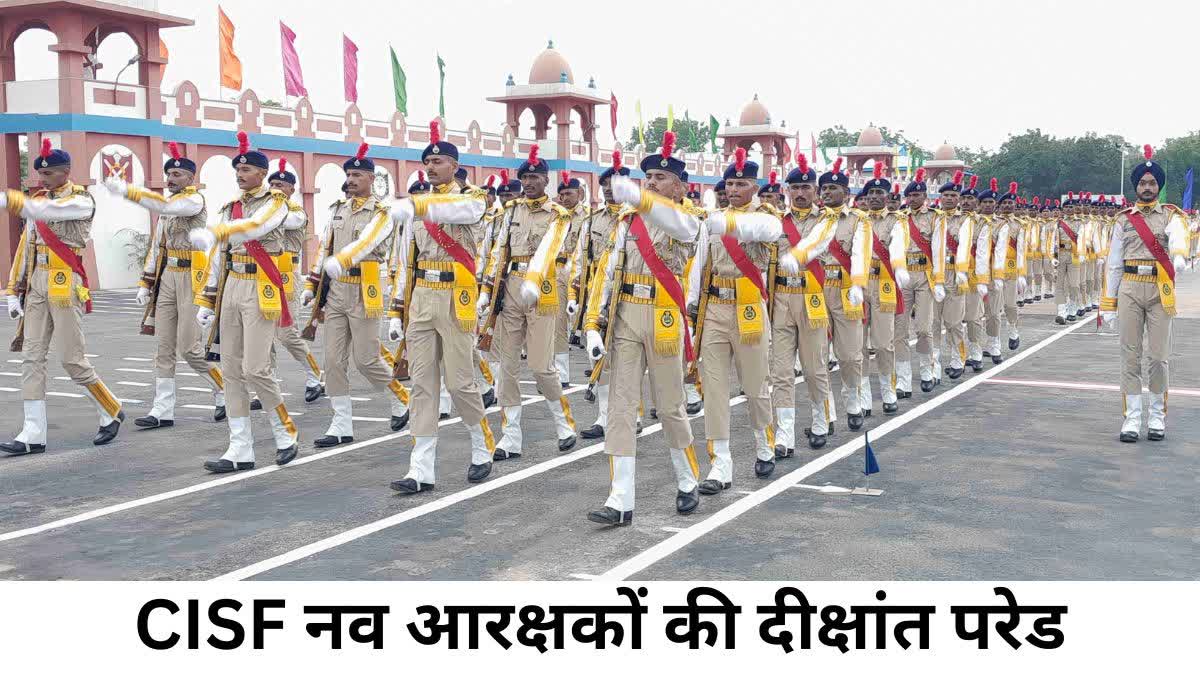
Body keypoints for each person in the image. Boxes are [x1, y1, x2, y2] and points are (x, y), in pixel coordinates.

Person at [584, 132, 702, 524]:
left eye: (661, 177)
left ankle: (687, 480)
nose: (650, 181)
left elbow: (675, 225)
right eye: (648, 176)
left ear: (680, 186)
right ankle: (620, 499)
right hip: (626, 315)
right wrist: (593, 323)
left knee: (670, 405)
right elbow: (607, 271)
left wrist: (639, 197)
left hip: (665, 315)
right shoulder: (626, 221)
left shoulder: (688, 219)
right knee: (620, 406)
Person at [387, 121, 494, 492]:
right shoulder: (416, 206)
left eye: (439, 161)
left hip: (456, 297)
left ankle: (482, 447)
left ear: (454, 165)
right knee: (422, 383)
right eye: (427, 162)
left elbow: (459, 213)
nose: (431, 167)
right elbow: (406, 259)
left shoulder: (474, 199)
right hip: (421, 298)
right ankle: (421, 468)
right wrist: (398, 306)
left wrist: (415, 205)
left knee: (462, 382)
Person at [1, 139, 124, 454]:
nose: (42, 179)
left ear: (66, 172)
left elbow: (52, 210)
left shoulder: (82, 200)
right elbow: (25, 249)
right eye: (40, 174)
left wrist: (10, 199)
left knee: (71, 358)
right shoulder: (39, 200)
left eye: (50, 173)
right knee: (32, 356)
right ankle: (33, 433)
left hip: (64, 280)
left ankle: (110, 408)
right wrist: (13, 290)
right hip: (38, 282)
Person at [190, 132, 301, 472]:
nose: (241, 174)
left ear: (262, 174)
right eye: (238, 169)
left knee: (256, 368)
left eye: (248, 169)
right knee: (231, 369)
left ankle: (285, 432)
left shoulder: (277, 203)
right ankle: (240, 448)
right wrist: (208, 300)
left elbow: (255, 228)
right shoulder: (228, 207)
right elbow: (219, 257)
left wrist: (218, 231)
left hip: (261, 285)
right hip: (232, 284)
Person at [104, 142, 226, 429]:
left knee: (190, 348)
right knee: (163, 348)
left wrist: (128, 191)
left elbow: (168, 205)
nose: (171, 179)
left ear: (191, 179)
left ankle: (224, 390)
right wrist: (146, 282)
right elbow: (157, 248)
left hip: (192, 278)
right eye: (169, 174)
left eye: (178, 175)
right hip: (168, 276)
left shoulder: (193, 201)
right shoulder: (168, 210)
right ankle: (162, 410)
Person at [301, 143, 410, 449]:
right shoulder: (337, 209)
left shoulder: (383, 213)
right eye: (348, 174)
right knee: (333, 361)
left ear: (370, 179)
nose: (350, 180)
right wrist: (312, 284)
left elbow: (368, 241)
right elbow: (325, 247)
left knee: (366, 359)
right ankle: (341, 424)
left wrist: (341, 261)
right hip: (335, 291)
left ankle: (400, 398)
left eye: (357, 175)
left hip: (366, 289)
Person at [689, 147, 783, 491]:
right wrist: (692, 301)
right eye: (729, 183)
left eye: (740, 183)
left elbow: (766, 231)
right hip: (715, 306)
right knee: (714, 389)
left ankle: (764, 445)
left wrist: (721, 220)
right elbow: (700, 261)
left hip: (748, 306)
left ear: (754, 186)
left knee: (756, 386)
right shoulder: (714, 219)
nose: (733, 189)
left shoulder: (766, 215)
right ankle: (720, 464)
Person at [480, 145, 578, 461]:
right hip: (510, 289)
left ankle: (564, 424)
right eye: (525, 177)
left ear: (545, 180)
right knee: (506, 367)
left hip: (544, 289)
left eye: (535, 177)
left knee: (540, 366)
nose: (530, 182)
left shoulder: (558, 215)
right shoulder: (509, 213)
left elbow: (551, 250)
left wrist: (534, 282)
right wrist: (486, 291)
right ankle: (510, 437)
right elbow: (499, 252)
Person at [1101, 145, 1189, 443]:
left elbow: (1179, 238)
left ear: (1159, 187)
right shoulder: (1123, 219)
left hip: (1160, 289)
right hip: (1128, 287)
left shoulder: (1171, 216)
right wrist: (1108, 306)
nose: (1147, 187)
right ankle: (1132, 419)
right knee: (1129, 356)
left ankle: (1156, 417)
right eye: (1142, 183)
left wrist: (1178, 255)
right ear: (1136, 187)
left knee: (1158, 358)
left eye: (1152, 183)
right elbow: (1113, 264)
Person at [771, 153, 836, 453]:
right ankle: (784, 436)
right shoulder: (775, 221)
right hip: (782, 299)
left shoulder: (826, 221)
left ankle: (821, 421)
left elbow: (816, 246)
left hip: (811, 299)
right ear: (787, 190)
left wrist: (795, 257)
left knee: (813, 368)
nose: (799, 193)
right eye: (794, 187)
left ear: (815, 191)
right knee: (782, 372)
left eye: (806, 187)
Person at [572, 152, 630, 440]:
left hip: (627, 296)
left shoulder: (635, 219)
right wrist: (574, 294)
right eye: (605, 183)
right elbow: (581, 260)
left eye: (616, 182)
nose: (609, 188)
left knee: (628, 360)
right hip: (596, 295)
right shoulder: (591, 221)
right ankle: (604, 417)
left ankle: (634, 415)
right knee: (598, 357)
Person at [266, 159, 324, 403]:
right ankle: (265, 383)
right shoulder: (263, 209)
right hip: (261, 277)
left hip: (286, 277)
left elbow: (284, 221)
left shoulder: (297, 212)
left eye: (281, 184)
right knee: (263, 336)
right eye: (272, 185)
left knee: (287, 334)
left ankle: (314, 376)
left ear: (291, 189)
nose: (275, 189)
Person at [856, 169, 909, 416]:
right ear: (864, 198)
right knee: (858, 344)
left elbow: (898, 245)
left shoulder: (897, 221)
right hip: (858, 282)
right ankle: (863, 395)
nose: (875, 197)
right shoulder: (857, 220)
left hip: (884, 283)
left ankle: (888, 389)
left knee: (883, 343)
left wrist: (898, 267)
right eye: (871, 193)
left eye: (880, 193)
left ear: (888, 197)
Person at [894, 168, 945, 395]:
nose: (913, 199)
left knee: (924, 328)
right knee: (899, 330)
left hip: (925, 276)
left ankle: (927, 370)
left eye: (917, 195)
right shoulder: (899, 218)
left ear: (925, 196)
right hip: (904, 276)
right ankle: (903, 379)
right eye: (910, 196)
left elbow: (938, 250)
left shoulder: (935, 217)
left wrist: (940, 280)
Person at [553, 171, 588, 387]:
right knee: (558, 322)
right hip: (558, 269)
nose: (564, 198)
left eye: (569, 193)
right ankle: (561, 374)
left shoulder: (590, 216)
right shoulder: (555, 215)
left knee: (586, 322)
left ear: (580, 193)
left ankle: (596, 369)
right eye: (561, 195)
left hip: (582, 272)